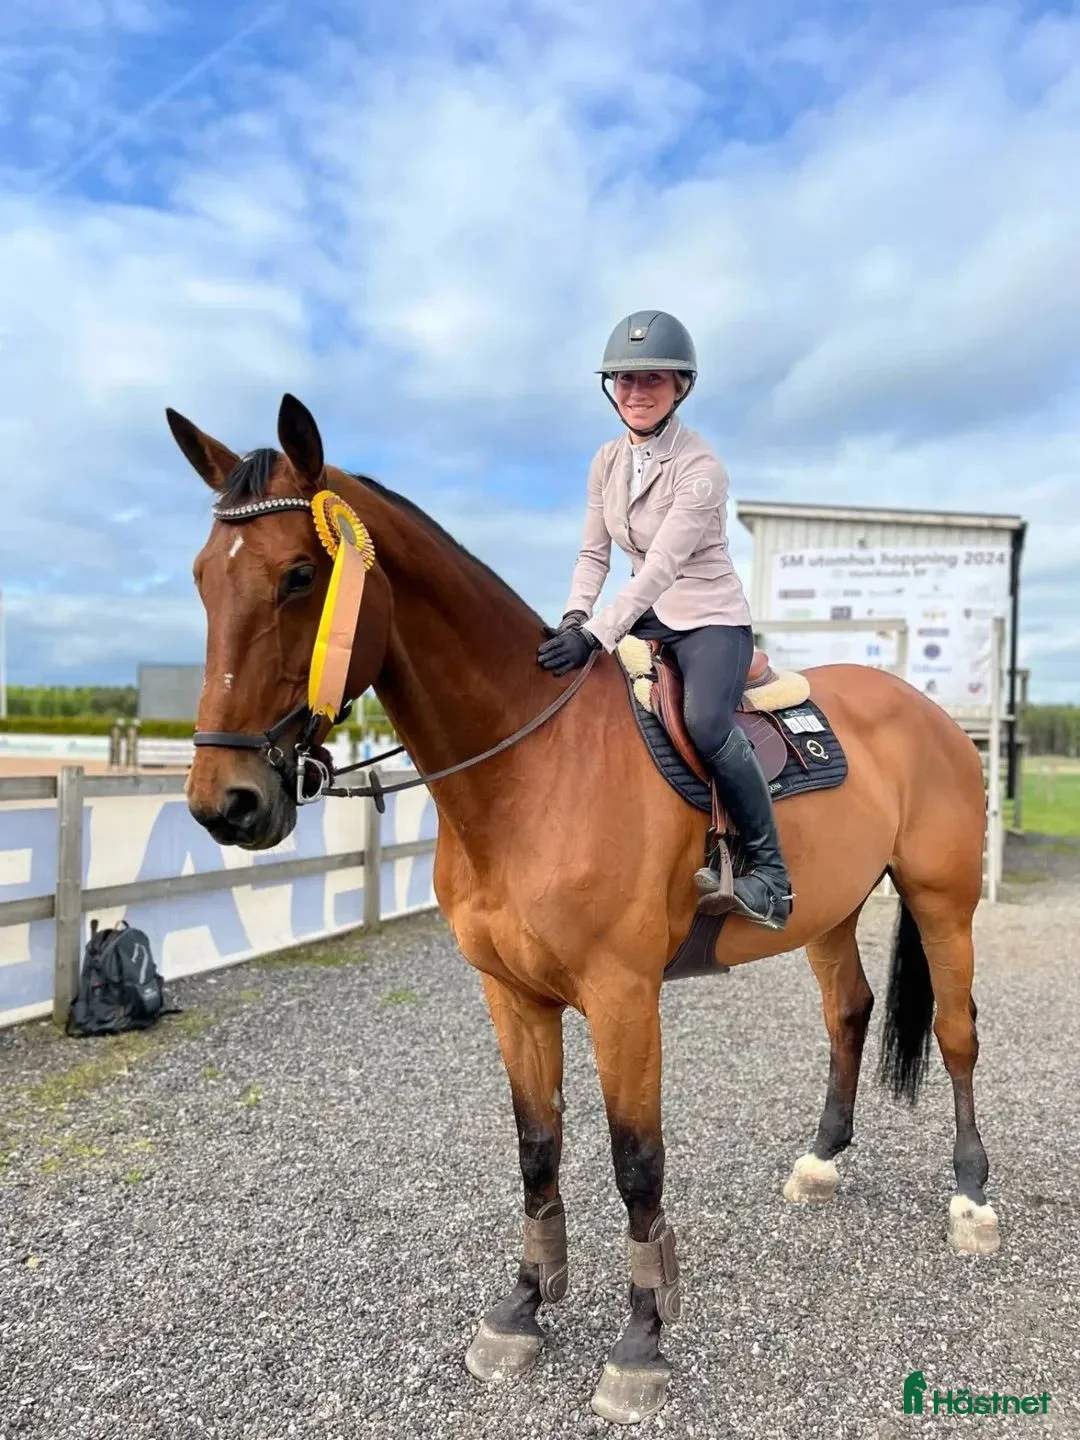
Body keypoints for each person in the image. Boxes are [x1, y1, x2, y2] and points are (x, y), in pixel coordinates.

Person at [536, 309, 792, 930]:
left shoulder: (703, 469)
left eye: (653, 379)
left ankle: (770, 874)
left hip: (708, 617)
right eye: (625, 381)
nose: (637, 392)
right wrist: (574, 616)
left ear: (680, 387)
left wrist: (597, 633)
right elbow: (595, 552)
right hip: (644, 615)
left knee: (705, 722)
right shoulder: (605, 461)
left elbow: (663, 567)